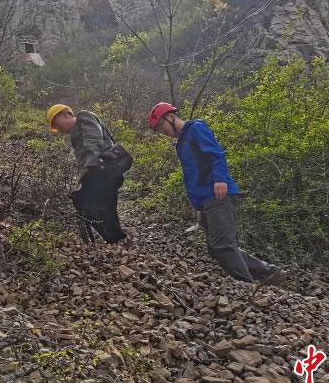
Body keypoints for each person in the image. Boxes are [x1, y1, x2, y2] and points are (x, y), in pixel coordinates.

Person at [148, 102, 283, 285]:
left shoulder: (195, 128)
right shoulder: (181, 143)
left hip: (218, 193)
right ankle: (268, 272)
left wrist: (220, 180)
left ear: (170, 117)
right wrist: (200, 206)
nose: (162, 132)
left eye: (160, 127)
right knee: (216, 248)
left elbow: (216, 153)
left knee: (223, 246)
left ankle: (246, 286)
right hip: (207, 200)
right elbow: (194, 174)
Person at [46, 104, 132, 244]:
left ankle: (113, 238)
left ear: (65, 114)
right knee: (106, 205)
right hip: (105, 171)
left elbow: (93, 138)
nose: (59, 130)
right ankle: (117, 240)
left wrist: (89, 165)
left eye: (57, 124)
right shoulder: (77, 130)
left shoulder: (83, 117)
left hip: (101, 170)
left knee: (83, 201)